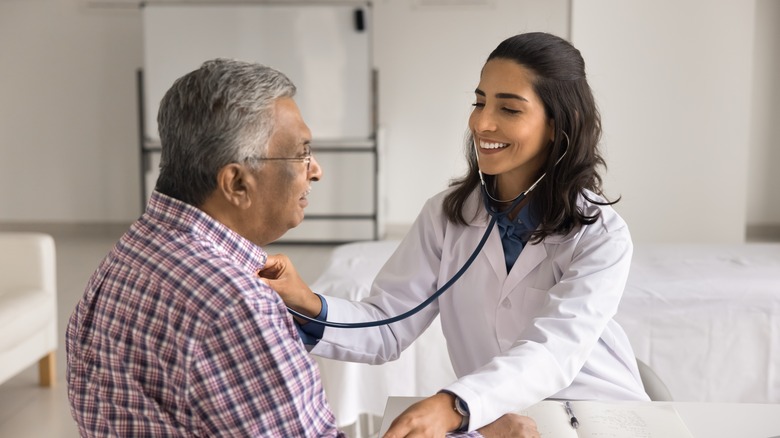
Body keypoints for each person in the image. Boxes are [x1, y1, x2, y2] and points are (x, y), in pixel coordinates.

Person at [65, 58, 534, 438]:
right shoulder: (237, 305)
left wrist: (309, 303)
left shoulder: (129, 255)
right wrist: (477, 432)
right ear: (237, 183)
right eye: (301, 152)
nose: (316, 170)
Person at [261, 32, 650, 437]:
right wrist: (306, 301)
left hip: (599, 416)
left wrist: (454, 404)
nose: (482, 123)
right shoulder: (446, 216)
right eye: (480, 102)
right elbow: (388, 325)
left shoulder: (600, 234)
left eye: (509, 109)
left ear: (557, 124)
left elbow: (553, 351)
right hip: (501, 419)